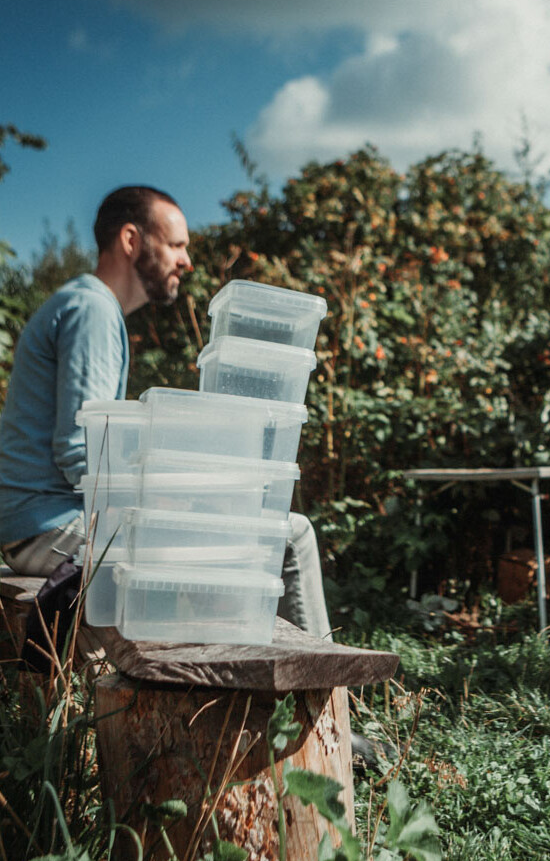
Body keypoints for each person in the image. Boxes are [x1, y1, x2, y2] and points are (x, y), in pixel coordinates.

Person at [0, 185, 332, 639]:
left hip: (41, 520)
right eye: (175, 244)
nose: (186, 261)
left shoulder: (88, 305)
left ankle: (254, 690)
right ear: (131, 240)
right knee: (288, 534)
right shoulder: (92, 309)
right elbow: (82, 451)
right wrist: (180, 502)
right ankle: (316, 692)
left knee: (232, 535)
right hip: (49, 527)